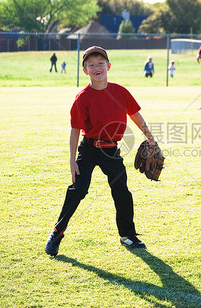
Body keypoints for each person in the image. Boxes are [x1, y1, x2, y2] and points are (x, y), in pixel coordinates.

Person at [45, 46, 157, 256]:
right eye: (91, 65)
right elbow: (75, 130)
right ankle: (57, 232)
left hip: (111, 151)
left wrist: (149, 137)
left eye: (100, 63)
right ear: (85, 71)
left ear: (109, 66)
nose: (97, 67)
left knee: (122, 191)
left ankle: (128, 236)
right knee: (78, 189)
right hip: (89, 149)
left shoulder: (120, 92)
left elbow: (135, 114)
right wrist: (72, 160)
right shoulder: (82, 98)